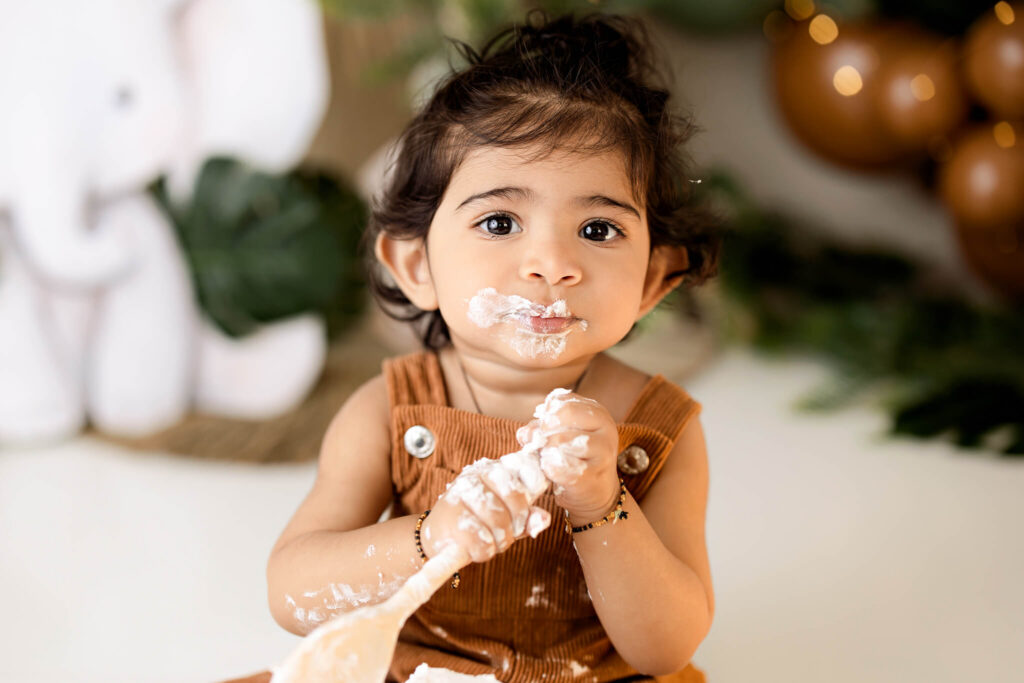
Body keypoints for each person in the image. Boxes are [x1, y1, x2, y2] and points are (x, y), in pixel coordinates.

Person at [264, 11, 720, 683]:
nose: (550, 263)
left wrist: (602, 504)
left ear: (653, 279)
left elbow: (665, 645)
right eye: (500, 221)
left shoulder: (659, 429)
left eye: (597, 229)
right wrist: (431, 535)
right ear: (416, 265)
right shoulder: (388, 411)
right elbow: (292, 592)